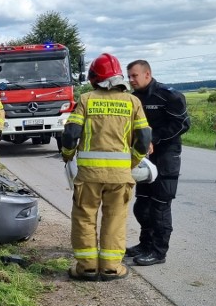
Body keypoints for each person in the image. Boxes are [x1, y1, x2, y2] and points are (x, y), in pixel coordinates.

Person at [61, 53, 151, 282]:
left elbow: (71, 135)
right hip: (120, 177)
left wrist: (67, 155)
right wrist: (131, 162)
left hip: (89, 176)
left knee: (84, 218)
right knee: (115, 219)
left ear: (94, 78)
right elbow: (143, 138)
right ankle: (111, 268)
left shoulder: (86, 99)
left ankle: (87, 268)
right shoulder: (133, 102)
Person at [125, 60, 191, 266]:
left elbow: (182, 124)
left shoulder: (168, 95)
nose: (131, 80)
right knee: (142, 206)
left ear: (147, 74)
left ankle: (158, 251)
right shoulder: (133, 98)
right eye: (129, 76)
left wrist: (154, 138)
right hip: (143, 158)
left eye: (134, 75)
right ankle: (145, 244)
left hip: (166, 157)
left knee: (160, 207)